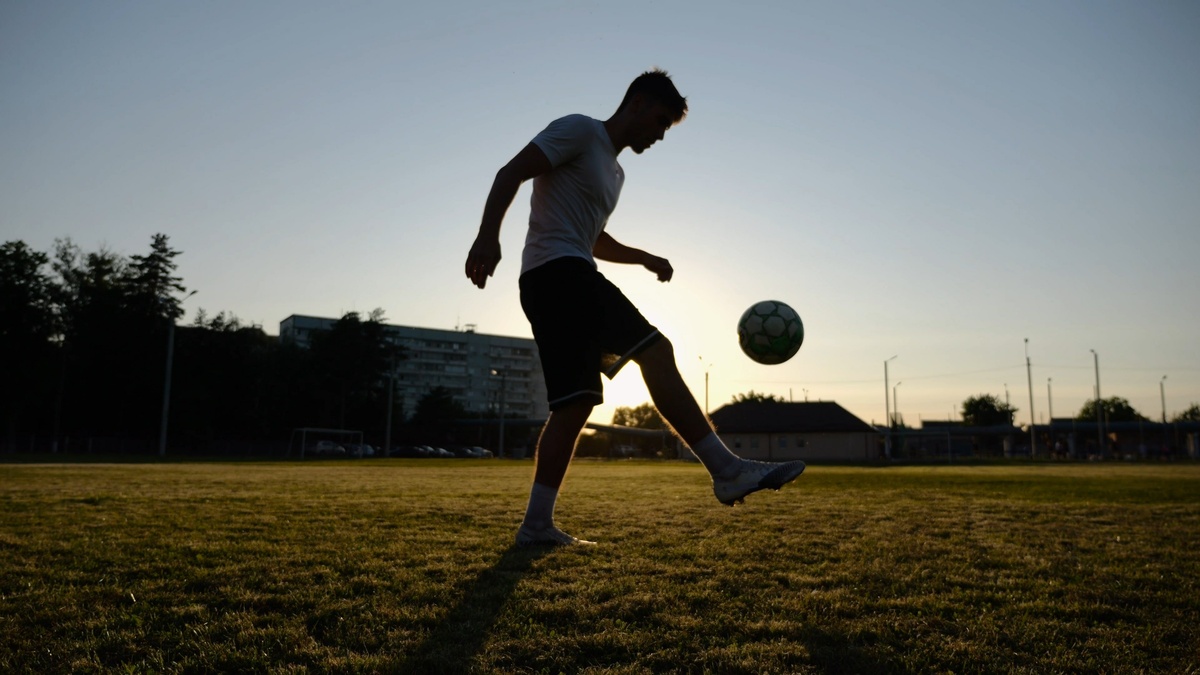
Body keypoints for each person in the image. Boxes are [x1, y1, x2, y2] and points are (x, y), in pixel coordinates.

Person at [465, 69, 806, 546]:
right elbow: (512, 172)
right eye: (661, 122)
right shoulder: (581, 129)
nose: (660, 135)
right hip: (559, 273)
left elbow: (593, 236)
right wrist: (487, 237)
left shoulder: (616, 172)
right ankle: (727, 471)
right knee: (655, 348)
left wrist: (642, 257)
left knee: (574, 404)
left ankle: (536, 525)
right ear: (639, 103)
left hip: (556, 276)